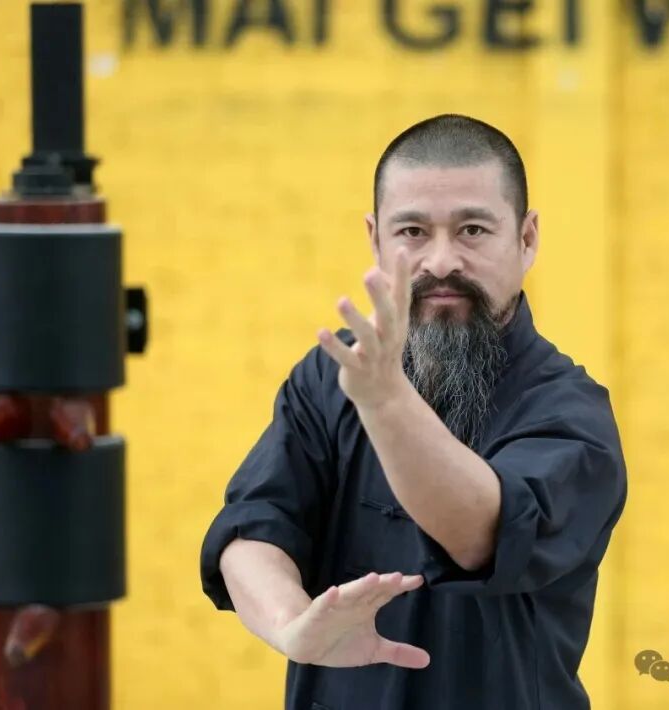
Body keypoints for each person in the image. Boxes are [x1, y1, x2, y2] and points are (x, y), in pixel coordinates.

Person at [200, 114, 628, 710]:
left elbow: (484, 533)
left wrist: (385, 401)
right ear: (376, 239)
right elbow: (253, 525)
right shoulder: (331, 377)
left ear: (526, 239)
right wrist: (292, 624)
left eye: (473, 230)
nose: (442, 261)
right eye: (413, 232)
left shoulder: (570, 412)